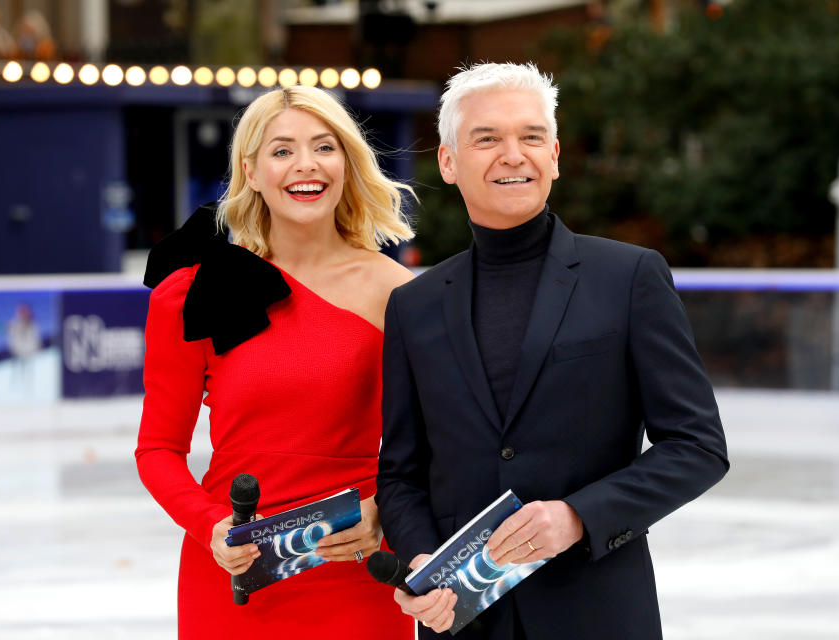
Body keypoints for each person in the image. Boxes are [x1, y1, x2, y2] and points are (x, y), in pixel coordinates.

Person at [376, 62, 729, 639]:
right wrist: (420, 561)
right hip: (465, 621)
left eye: (531, 137)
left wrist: (577, 517)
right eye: (487, 138)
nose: (513, 154)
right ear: (447, 162)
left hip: (597, 613)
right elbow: (401, 474)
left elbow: (697, 447)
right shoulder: (413, 306)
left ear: (555, 155)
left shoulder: (629, 276)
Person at [135, 85, 416, 638]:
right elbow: (157, 450)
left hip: (355, 567)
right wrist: (211, 525)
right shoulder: (195, 291)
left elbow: (437, 441)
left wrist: (382, 510)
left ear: (348, 164)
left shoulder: (398, 293)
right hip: (232, 573)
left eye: (324, 147)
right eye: (282, 150)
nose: (305, 165)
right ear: (252, 171)